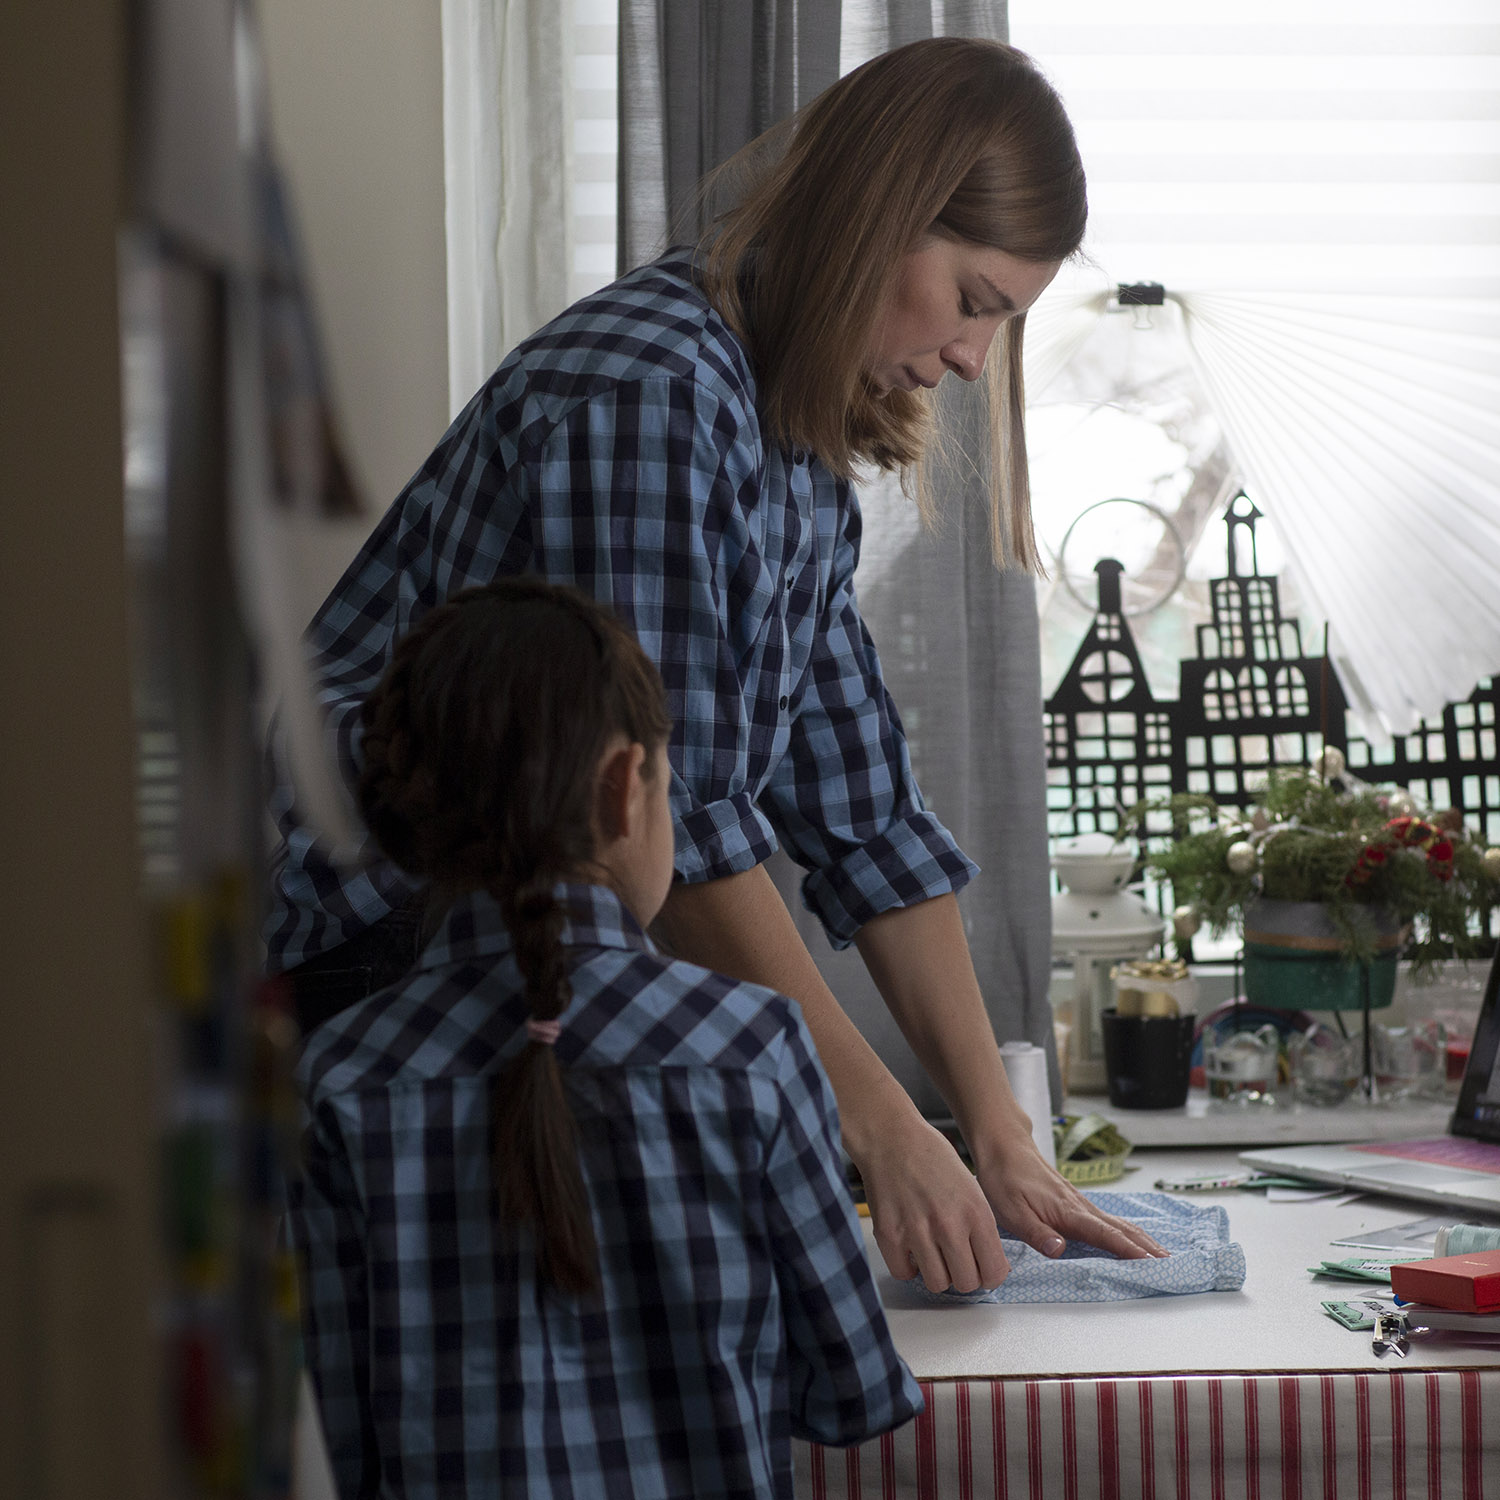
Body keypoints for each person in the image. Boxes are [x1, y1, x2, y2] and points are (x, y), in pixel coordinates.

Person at [267, 35, 1165, 1298]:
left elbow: (871, 822)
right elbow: (661, 822)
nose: (974, 361)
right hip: (360, 952)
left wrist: (1003, 1136)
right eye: (974, 301)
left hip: (483, 945)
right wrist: (880, 1127)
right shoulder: (654, 394)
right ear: (880, 219)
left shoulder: (792, 448)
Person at [287, 578, 923, 1499]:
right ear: (627, 788)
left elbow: (341, 1439)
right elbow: (852, 1392)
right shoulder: (753, 1047)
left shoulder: (338, 1080)